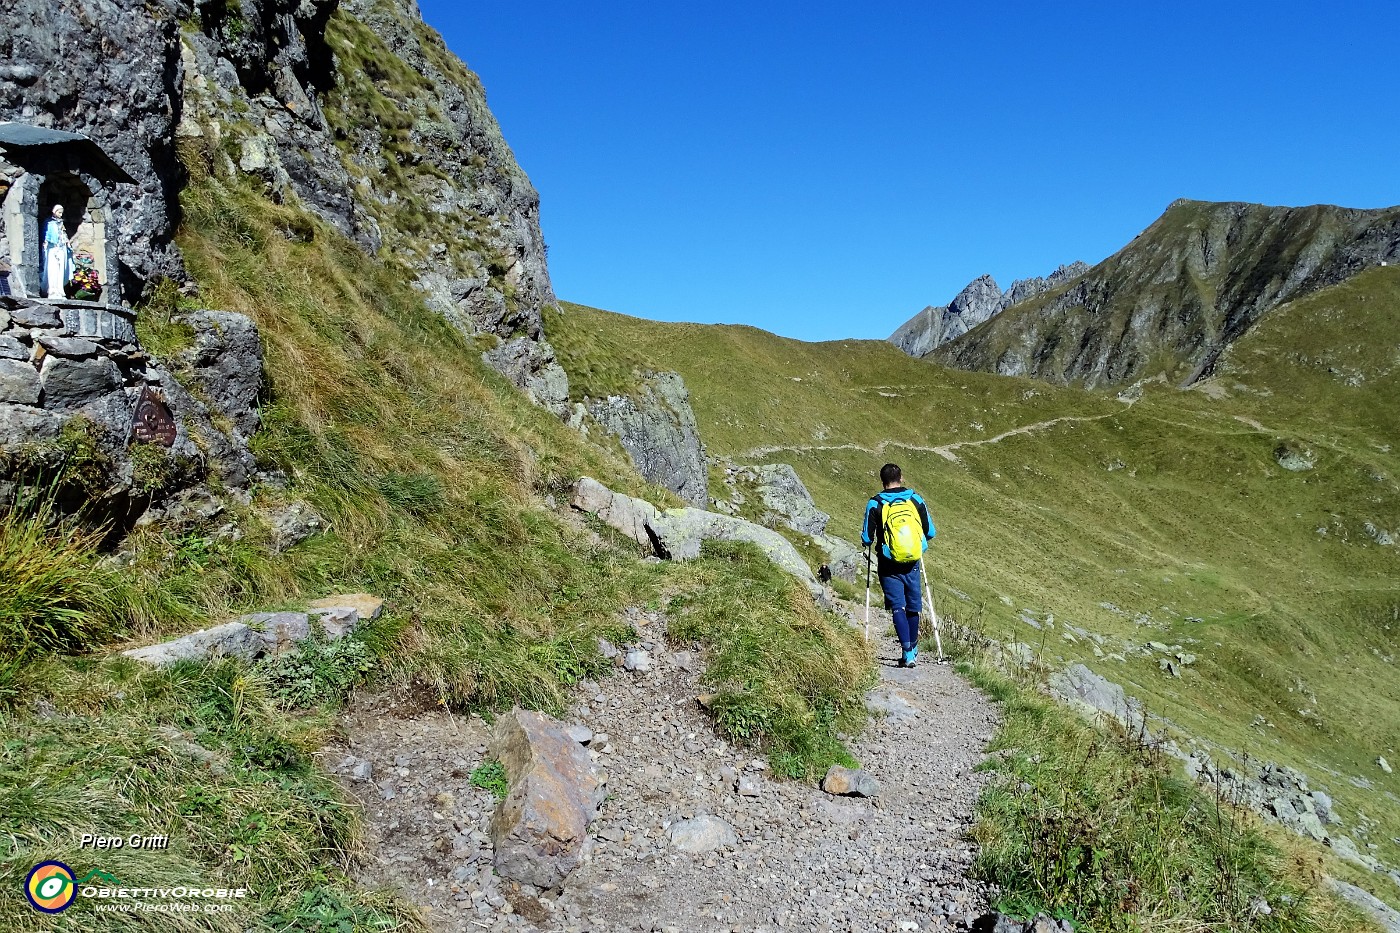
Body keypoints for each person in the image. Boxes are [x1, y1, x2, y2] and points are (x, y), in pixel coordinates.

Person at [861, 462, 935, 667]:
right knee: (913, 607)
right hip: (912, 561)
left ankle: (907, 653)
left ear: (882, 481)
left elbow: (867, 538)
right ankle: (913, 647)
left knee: (897, 608)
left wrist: (868, 540)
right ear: (901, 478)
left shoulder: (875, 503)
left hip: (888, 564)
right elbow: (930, 533)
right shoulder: (915, 499)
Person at [42, 204, 73, 299]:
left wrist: (67, 243)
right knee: (52, 269)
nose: (60, 214)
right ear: (54, 212)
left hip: (61, 248)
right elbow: (46, 235)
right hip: (52, 249)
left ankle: (60, 290)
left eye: (61, 213)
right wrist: (46, 242)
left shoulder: (61, 223)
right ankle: (52, 290)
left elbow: (63, 235)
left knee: (61, 270)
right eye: (59, 212)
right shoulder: (49, 223)